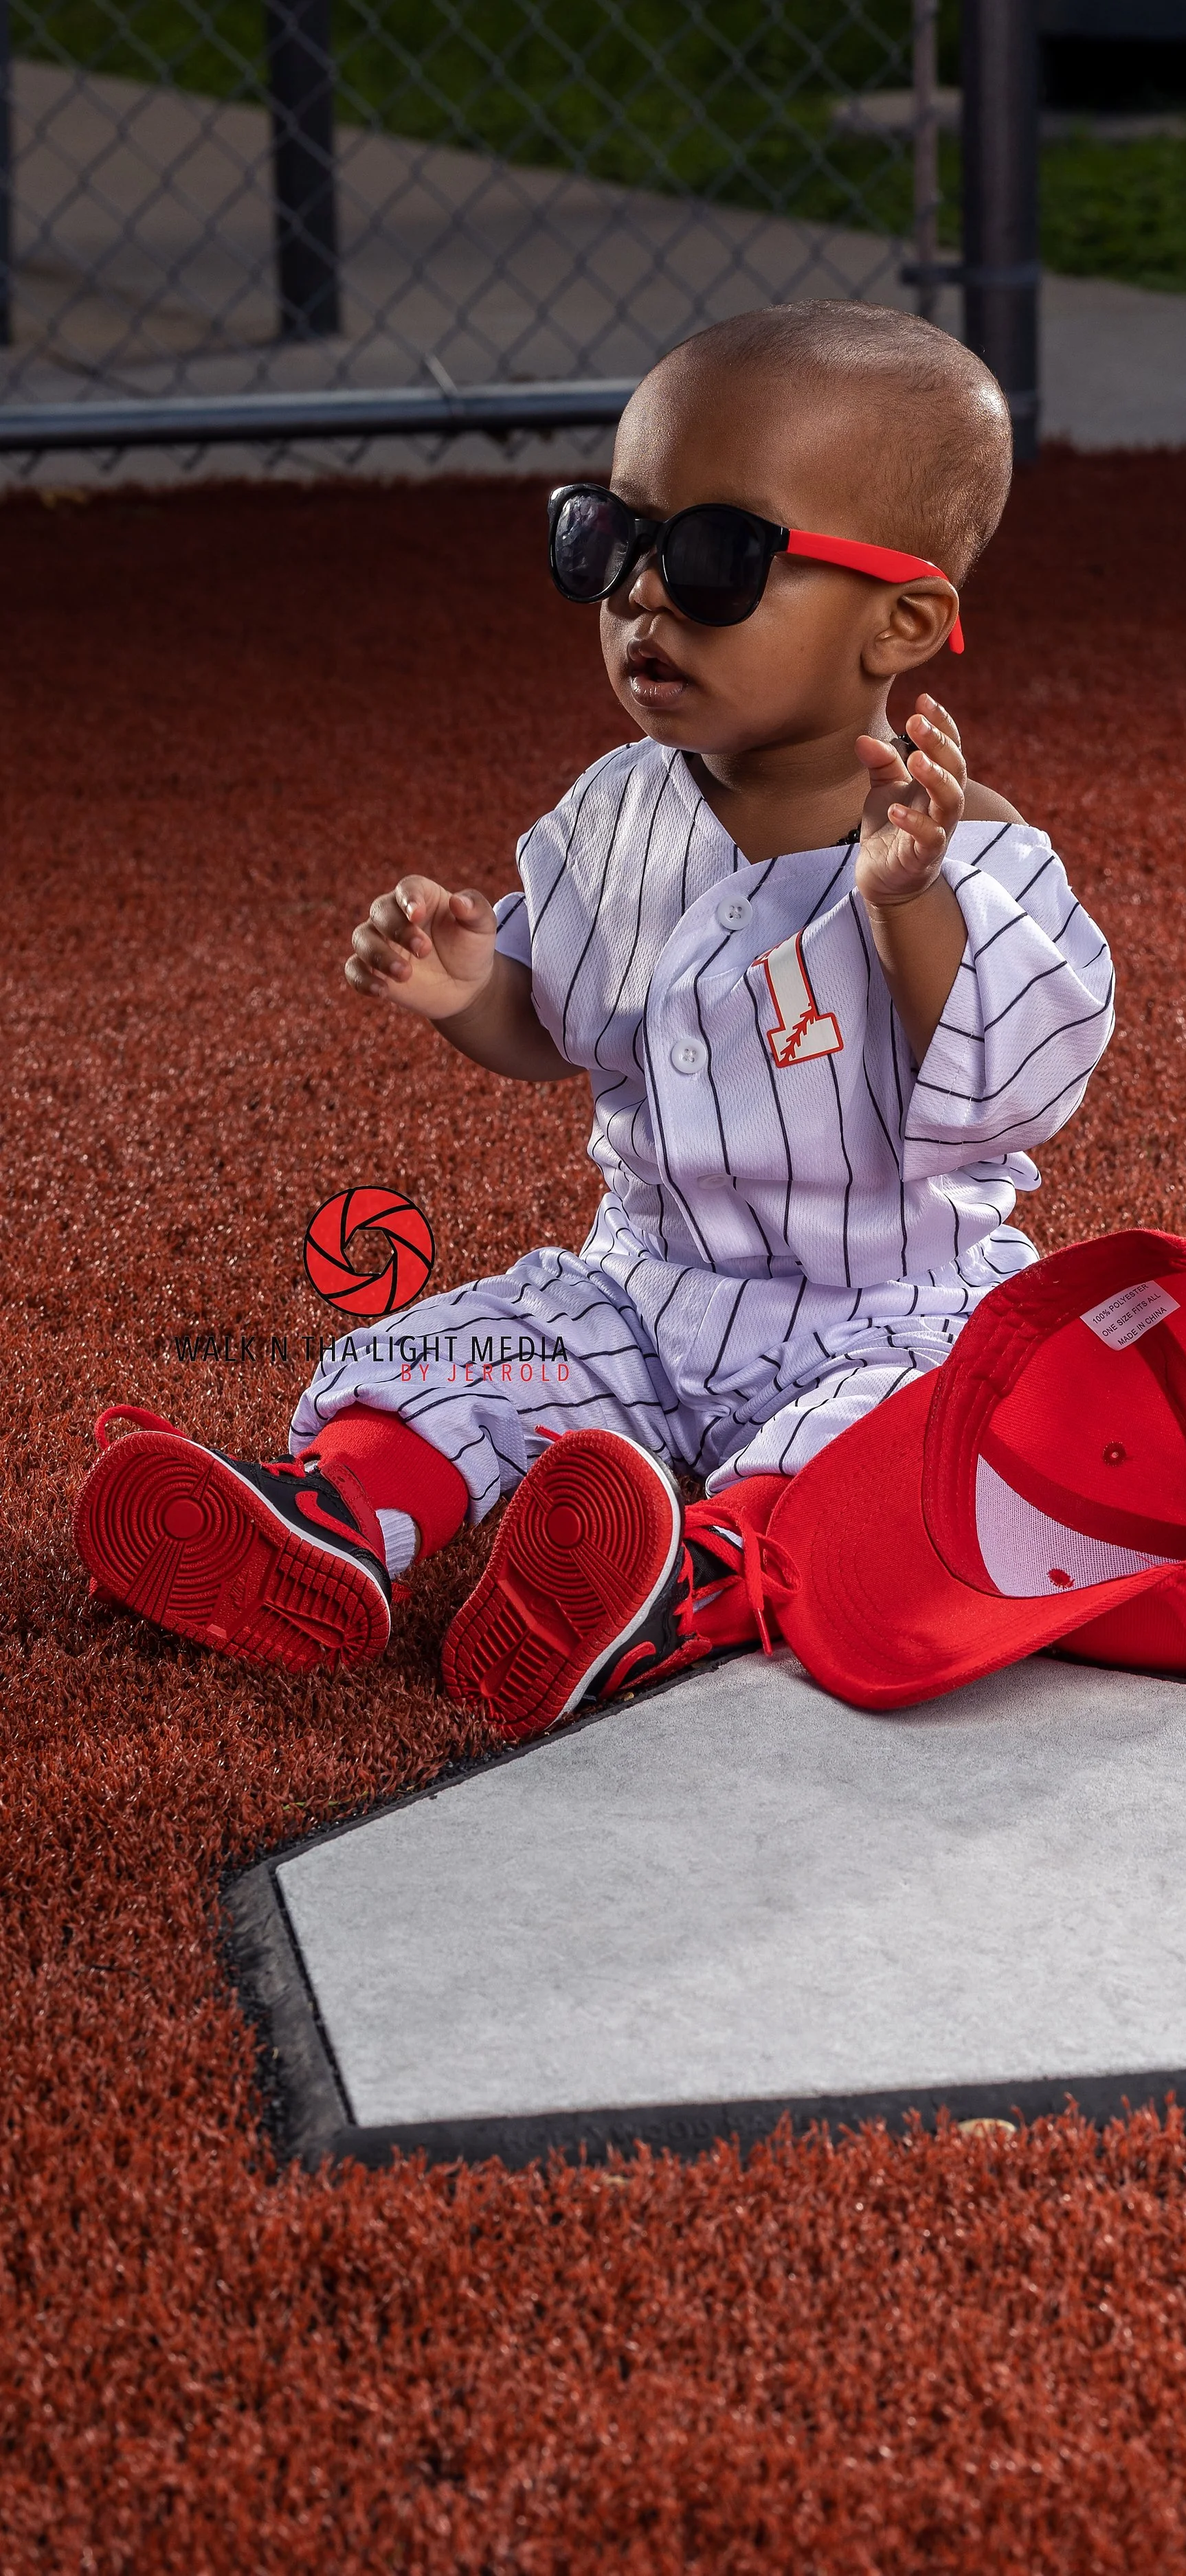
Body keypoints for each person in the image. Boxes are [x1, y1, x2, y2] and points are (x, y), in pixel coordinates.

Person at [75, 301, 1115, 1738]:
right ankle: (340, 1516)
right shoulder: (618, 812)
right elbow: (552, 1025)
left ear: (904, 622)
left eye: (713, 559)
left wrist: (907, 902)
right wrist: (469, 994)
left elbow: (1011, 1087)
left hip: (886, 1309)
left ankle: (695, 1576)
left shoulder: (968, 854)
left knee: (888, 1440)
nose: (642, 597)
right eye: (608, 541)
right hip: (644, 1284)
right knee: (488, 1346)